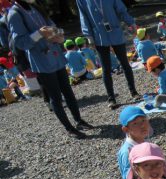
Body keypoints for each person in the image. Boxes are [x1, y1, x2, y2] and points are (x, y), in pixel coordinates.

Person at [8, 0, 92, 138]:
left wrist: (59, 35)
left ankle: (79, 120)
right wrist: (39, 33)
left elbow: (53, 26)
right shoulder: (14, 14)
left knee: (68, 91)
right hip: (42, 61)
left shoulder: (35, 7)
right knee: (56, 97)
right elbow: (21, 43)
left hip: (55, 54)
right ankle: (69, 128)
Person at [76, 0, 140, 109]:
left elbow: (121, 9)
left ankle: (134, 92)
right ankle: (111, 98)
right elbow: (84, 17)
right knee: (106, 69)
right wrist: (89, 36)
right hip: (99, 36)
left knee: (125, 63)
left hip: (115, 32)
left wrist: (131, 23)